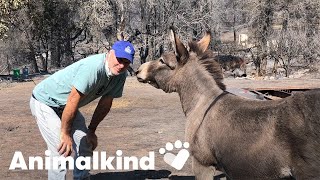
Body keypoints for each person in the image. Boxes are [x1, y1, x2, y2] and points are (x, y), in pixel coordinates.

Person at [29, 40, 135, 180]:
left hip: (65, 106)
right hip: (45, 101)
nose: (121, 65)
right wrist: (65, 133)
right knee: (61, 150)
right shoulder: (93, 68)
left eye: (126, 62)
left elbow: (105, 104)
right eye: (119, 59)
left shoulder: (120, 76)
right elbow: (73, 100)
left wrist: (91, 131)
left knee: (85, 143)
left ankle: (82, 178)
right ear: (110, 53)